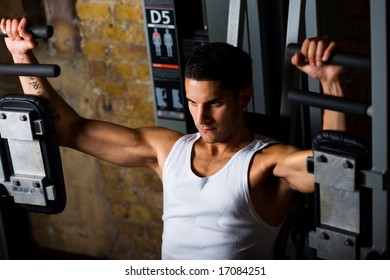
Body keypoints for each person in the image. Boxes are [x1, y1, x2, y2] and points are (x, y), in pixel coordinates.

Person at [1, 17, 345, 259]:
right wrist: (22, 57)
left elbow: (334, 176)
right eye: (193, 103)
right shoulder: (166, 150)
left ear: (243, 97)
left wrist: (330, 85)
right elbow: (67, 129)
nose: (201, 117)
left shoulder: (266, 163)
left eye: (214, 103)